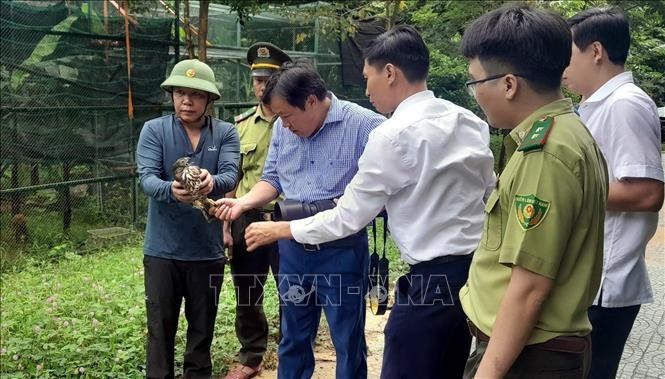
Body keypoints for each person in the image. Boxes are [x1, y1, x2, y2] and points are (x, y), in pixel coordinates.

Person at [241, 25, 495, 378]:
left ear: (389, 73)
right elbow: (489, 194)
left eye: (368, 77)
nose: (366, 89)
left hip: (424, 281)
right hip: (473, 277)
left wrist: (281, 228)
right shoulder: (469, 121)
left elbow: (348, 217)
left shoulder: (386, 135)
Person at [458, 5, 609, 378]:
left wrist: (487, 372)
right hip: (529, 351)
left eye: (475, 83)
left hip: (528, 358)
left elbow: (530, 288)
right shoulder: (567, 132)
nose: (474, 94)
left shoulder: (546, 153)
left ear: (509, 84)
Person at [213, 59, 385, 378]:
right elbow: (273, 178)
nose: (283, 124)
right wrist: (241, 203)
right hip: (292, 246)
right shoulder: (282, 127)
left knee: (347, 338)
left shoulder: (366, 126)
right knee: (293, 336)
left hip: (341, 248)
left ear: (310, 101)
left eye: (287, 115)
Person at [563, 8, 664, 379]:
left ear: (596, 51)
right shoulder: (599, 105)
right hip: (591, 279)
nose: (562, 64)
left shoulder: (625, 104)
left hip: (606, 283)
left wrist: (566, 192)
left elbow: (647, 193)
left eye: (567, 52)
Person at [136, 59, 239, 378]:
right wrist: (171, 190)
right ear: (172, 96)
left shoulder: (225, 133)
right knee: (160, 329)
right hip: (162, 251)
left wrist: (214, 182)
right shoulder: (154, 130)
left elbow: (231, 173)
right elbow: (147, 178)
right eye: (180, 92)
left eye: (196, 95)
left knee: (202, 329)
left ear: (209, 100)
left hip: (206, 251)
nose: (187, 101)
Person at [223, 42, 292, 379]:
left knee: (291, 289)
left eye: (270, 79)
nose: (262, 86)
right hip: (248, 218)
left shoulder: (295, 121)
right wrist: (227, 225)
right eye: (258, 80)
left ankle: (294, 349)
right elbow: (234, 177)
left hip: (287, 219)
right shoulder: (241, 126)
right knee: (247, 291)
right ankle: (251, 356)